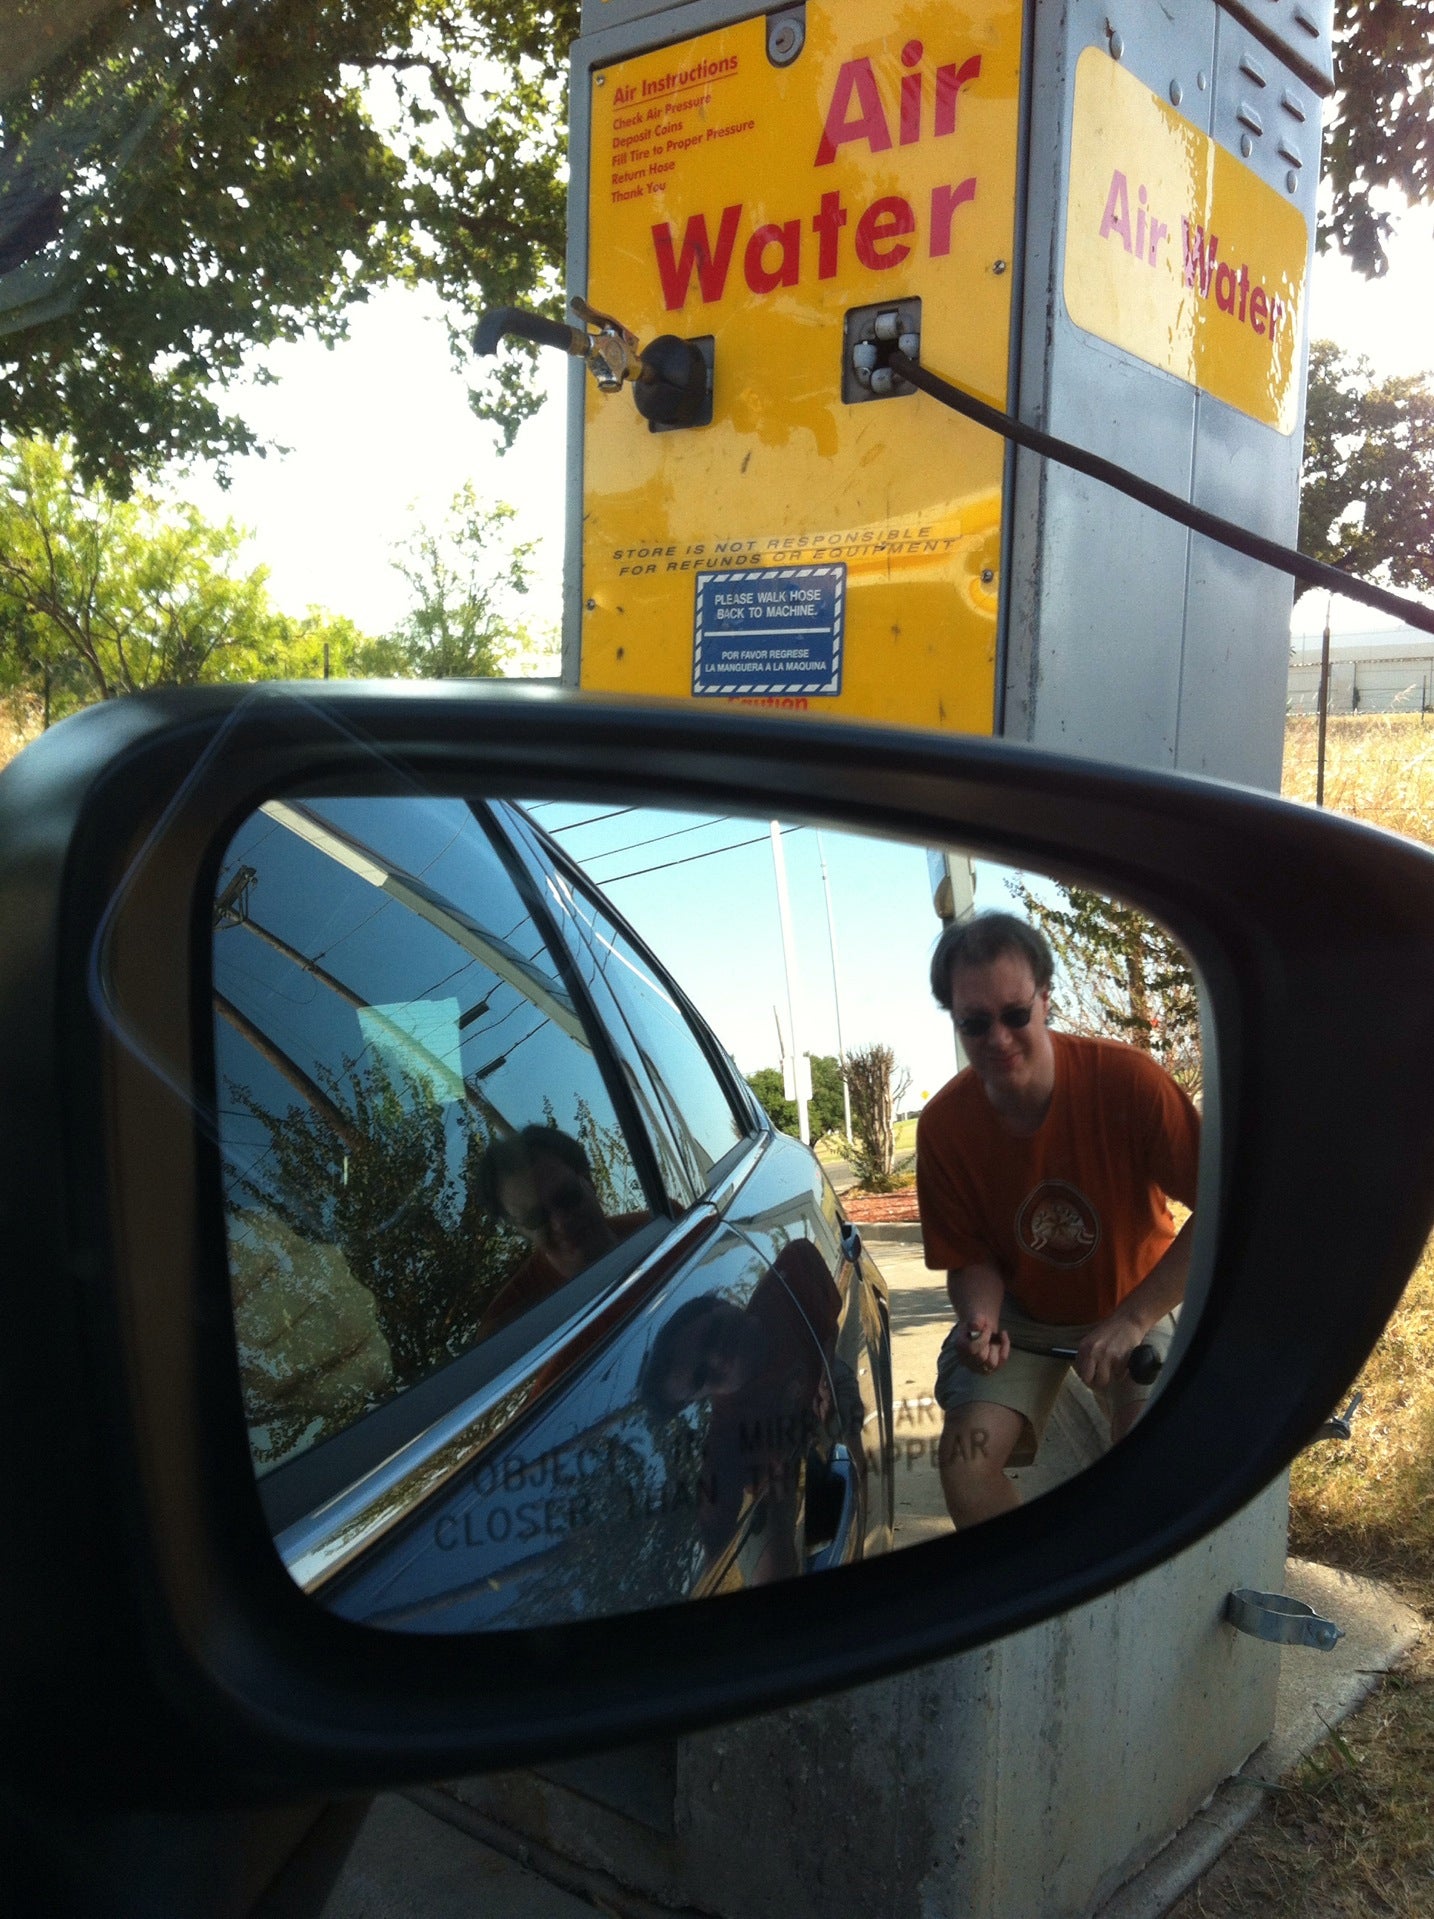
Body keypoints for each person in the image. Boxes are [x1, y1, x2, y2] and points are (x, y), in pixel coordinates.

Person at [916, 912, 1200, 1529]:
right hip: (1024, 1317)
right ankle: (1037, 1584)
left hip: (1138, 1296)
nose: (998, 1038)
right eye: (975, 1023)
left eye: (1015, 1014)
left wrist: (1133, 1318)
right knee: (964, 1462)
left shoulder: (1129, 1083)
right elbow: (970, 1258)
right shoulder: (943, 1127)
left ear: (1046, 999)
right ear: (955, 1021)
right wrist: (980, 1321)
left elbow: (1220, 1208)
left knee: (1151, 1461)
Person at [474, 1125, 650, 1334]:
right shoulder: (505, 1328)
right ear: (519, 1231)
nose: (560, 1222)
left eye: (566, 1196)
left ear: (589, 1181)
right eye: (536, 1218)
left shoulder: (661, 1222)